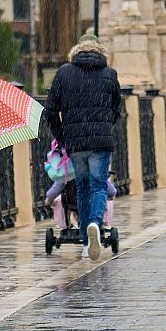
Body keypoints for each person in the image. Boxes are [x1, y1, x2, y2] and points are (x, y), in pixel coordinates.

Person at [43, 33, 121, 260]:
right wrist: (105, 126)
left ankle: (87, 243)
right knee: (98, 186)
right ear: (100, 51)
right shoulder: (109, 74)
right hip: (100, 141)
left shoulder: (64, 73)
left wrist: (62, 136)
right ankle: (95, 224)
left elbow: (50, 110)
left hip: (75, 142)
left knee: (82, 188)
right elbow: (116, 108)